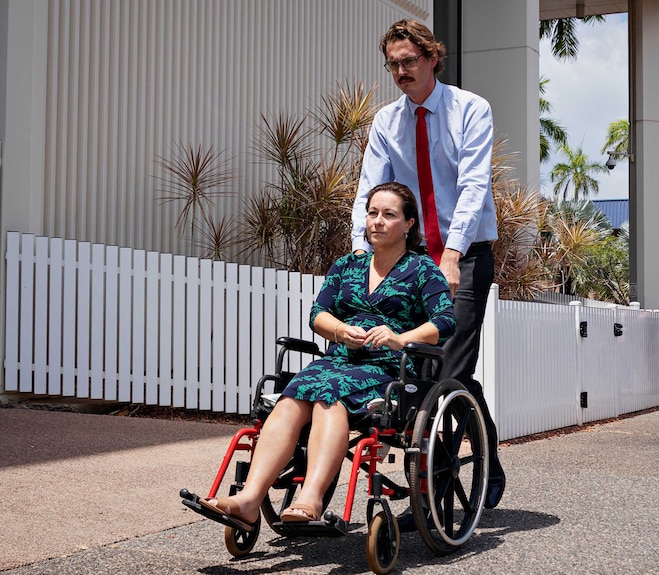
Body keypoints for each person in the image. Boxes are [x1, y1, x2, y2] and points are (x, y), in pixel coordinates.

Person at [193, 182, 456, 526]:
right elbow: (318, 313)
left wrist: (398, 338)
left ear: (408, 224)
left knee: (328, 399)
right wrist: (340, 331)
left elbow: (446, 319)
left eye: (389, 214)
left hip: (389, 368)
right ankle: (249, 499)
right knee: (292, 398)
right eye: (373, 213)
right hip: (337, 361)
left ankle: (311, 498)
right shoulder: (347, 265)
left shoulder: (421, 270)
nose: (377, 221)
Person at [352, 19, 505, 509]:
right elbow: (370, 192)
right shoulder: (385, 122)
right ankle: (486, 455)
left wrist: (453, 256)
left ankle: (435, 484)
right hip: (414, 260)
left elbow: (473, 187)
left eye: (409, 61)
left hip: (467, 255)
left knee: (446, 368)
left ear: (432, 58)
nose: (401, 70)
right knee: (423, 367)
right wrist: (361, 254)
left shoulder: (470, 110)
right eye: (393, 64)